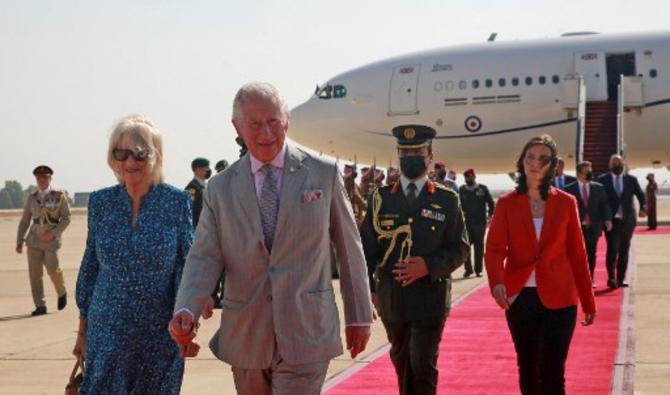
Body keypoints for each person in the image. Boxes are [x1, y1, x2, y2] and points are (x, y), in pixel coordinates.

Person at [168, 82, 373, 395]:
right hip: (246, 335)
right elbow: (204, 256)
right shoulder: (220, 189)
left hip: (307, 331)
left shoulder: (322, 174)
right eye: (255, 124)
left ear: (286, 121)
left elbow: (349, 249)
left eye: (273, 122)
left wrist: (358, 316)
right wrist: (186, 310)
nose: (266, 133)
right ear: (236, 126)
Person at [72, 116, 196, 394]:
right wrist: (82, 333)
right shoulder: (101, 203)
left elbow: (186, 266)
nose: (129, 162)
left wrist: (187, 324)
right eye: (121, 153)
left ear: (156, 156)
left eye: (140, 154)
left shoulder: (176, 202)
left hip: (159, 333)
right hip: (106, 330)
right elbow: (90, 267)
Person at [361, 124, 469, 395]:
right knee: (402, 362)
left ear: (430, 157)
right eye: (405, 151)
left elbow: (460, 248)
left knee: (422, 363)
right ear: (398, 155)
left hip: (430, 299)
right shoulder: (380, 199)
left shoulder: (447, 200)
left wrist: (428, 266)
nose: (411, 156)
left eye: (418, 151)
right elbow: (366, 251)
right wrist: (371, 291)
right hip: (391, 299)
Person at [485, 134, 596, 395]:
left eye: (543, 159)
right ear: (522, 161)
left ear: (553, 165)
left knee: (553, 369)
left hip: (561, 298)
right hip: (520, 297)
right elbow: (494, 250)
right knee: (528, 366)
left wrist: (588, 300)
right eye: (530, 157)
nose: (535, 163)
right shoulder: (506, 203)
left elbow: (578, 254)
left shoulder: (566, 203)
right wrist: (497, 283)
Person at [16, 165, 70, 316]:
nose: (42, 180)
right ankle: (40, 305)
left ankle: (61, 292)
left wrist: (53, 233)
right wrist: (19, 240)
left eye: (45, 177)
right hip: (33, 241)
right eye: (39, 178)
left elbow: (66, 218)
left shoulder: (58, 196)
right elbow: (25, 221)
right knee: (35, 275)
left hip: (50, 241)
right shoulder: (32, 198)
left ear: (50, 178)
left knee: (53, 270)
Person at [597, 155, 646, 288]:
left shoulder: (631, 179)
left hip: (627, 221)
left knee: (624, 249)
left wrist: (643, 207)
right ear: (609, 166)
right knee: (613, 248)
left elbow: (641, 195)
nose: (617, 165)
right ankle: (611, 278)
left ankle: (621, 278)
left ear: (623, 164)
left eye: (619, 163)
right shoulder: (602, 180)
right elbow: (599, 200)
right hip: (611, 221)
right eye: (614, 163)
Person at [565, 161, 612, 287]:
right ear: (579, 173)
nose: (590, 173)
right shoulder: (568, 189)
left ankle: (590, 279)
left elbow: (604, 205)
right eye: (587, 171)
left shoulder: (598, 188)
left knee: (591, 254)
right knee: (576, 254)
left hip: (593, 227)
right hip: (576, 228)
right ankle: (575, 280)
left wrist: (607, 219)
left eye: (590, 170)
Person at [458, 168, 495, 278]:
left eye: (470, 176)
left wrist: (490, 215)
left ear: (474, 176)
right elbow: (458, 205)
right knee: (466, 247)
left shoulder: (482, 189)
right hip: (467, 223)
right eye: (466, 177)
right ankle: (468, 270)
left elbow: (491, 203)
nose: (468, 179)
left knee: (479, 247)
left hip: (480, 223)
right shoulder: (462, 190)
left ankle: (478, 270)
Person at [185, 157, 211, 228]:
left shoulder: (205, 186)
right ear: (198, 170)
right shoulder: (193, 187)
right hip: (197, 227)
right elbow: (190, 208)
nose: (208, 171)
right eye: (206, 168)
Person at [343, 163, 367, 229]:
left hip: (356, 219)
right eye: (346, 169)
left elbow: (360, 202)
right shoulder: (341, 183)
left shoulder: (356, 186)